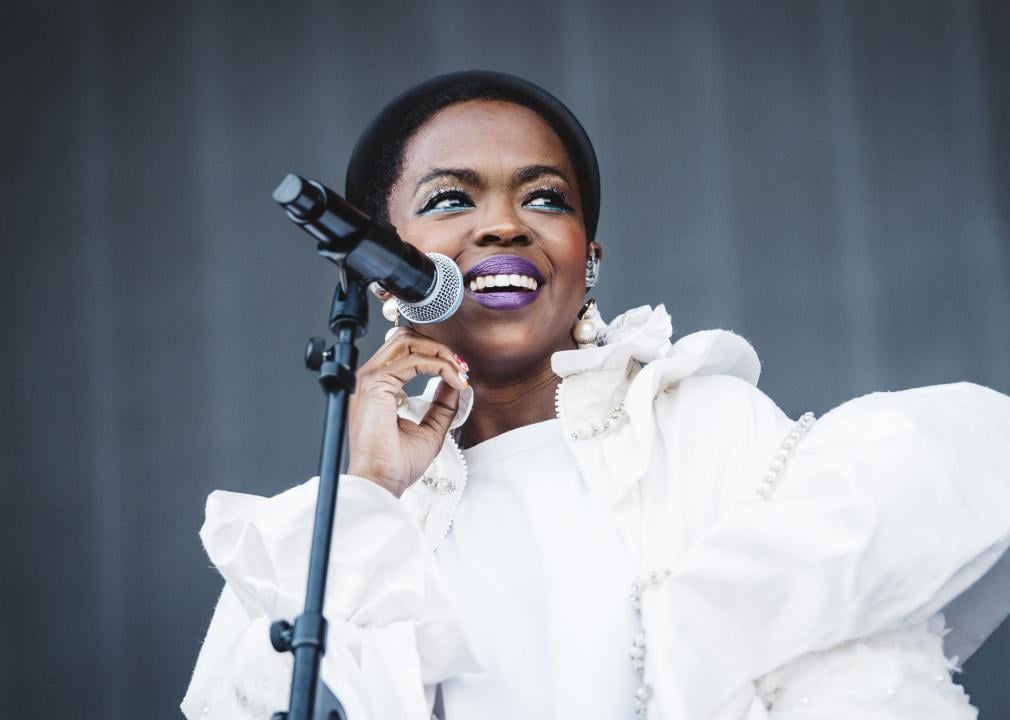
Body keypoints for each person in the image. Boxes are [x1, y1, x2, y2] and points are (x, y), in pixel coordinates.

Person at [182, 71, 1010, 720]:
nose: (505, 224)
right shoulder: (341, 528)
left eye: (544, 198)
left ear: (588, 259)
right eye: (450, 200)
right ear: (377, 269)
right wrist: (368, 487)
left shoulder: (701, 428)